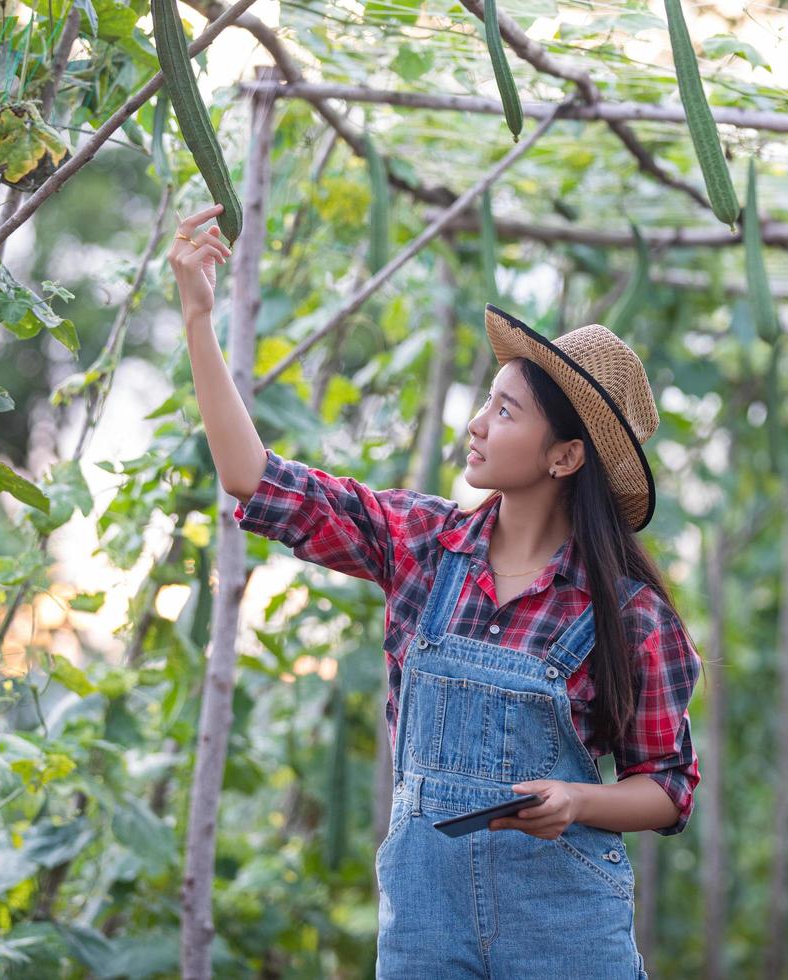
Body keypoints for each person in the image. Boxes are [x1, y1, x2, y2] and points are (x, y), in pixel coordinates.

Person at [170, 203, 701, 979]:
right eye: (487, 399)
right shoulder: (420, 543)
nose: (478, 423)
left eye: (506, 410)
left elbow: (668, 785)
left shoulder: (629, 615)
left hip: (565, 932)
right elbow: (253, 478)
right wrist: (197, 316)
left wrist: (577, 801)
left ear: (564, 457)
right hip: (425, 928)